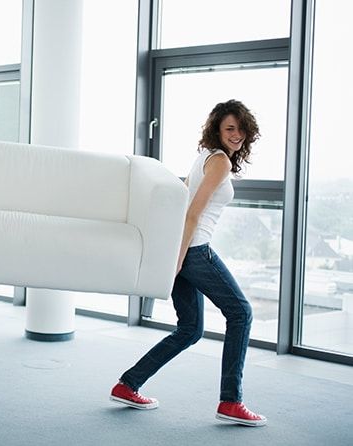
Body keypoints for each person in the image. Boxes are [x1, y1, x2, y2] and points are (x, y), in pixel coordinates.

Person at [109, 99, 267, 427]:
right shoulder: (220, 162)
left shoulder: (205, 158)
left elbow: (180, 198)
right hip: (195, 251)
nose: (236, 134)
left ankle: (127, 385)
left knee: (190, 329)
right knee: (241, 313)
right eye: (229, 128)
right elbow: (193, 213)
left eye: (240, 128)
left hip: (182, 250)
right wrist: (179, 259)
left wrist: (170, 253)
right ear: (217, 130)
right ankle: (231, 401)